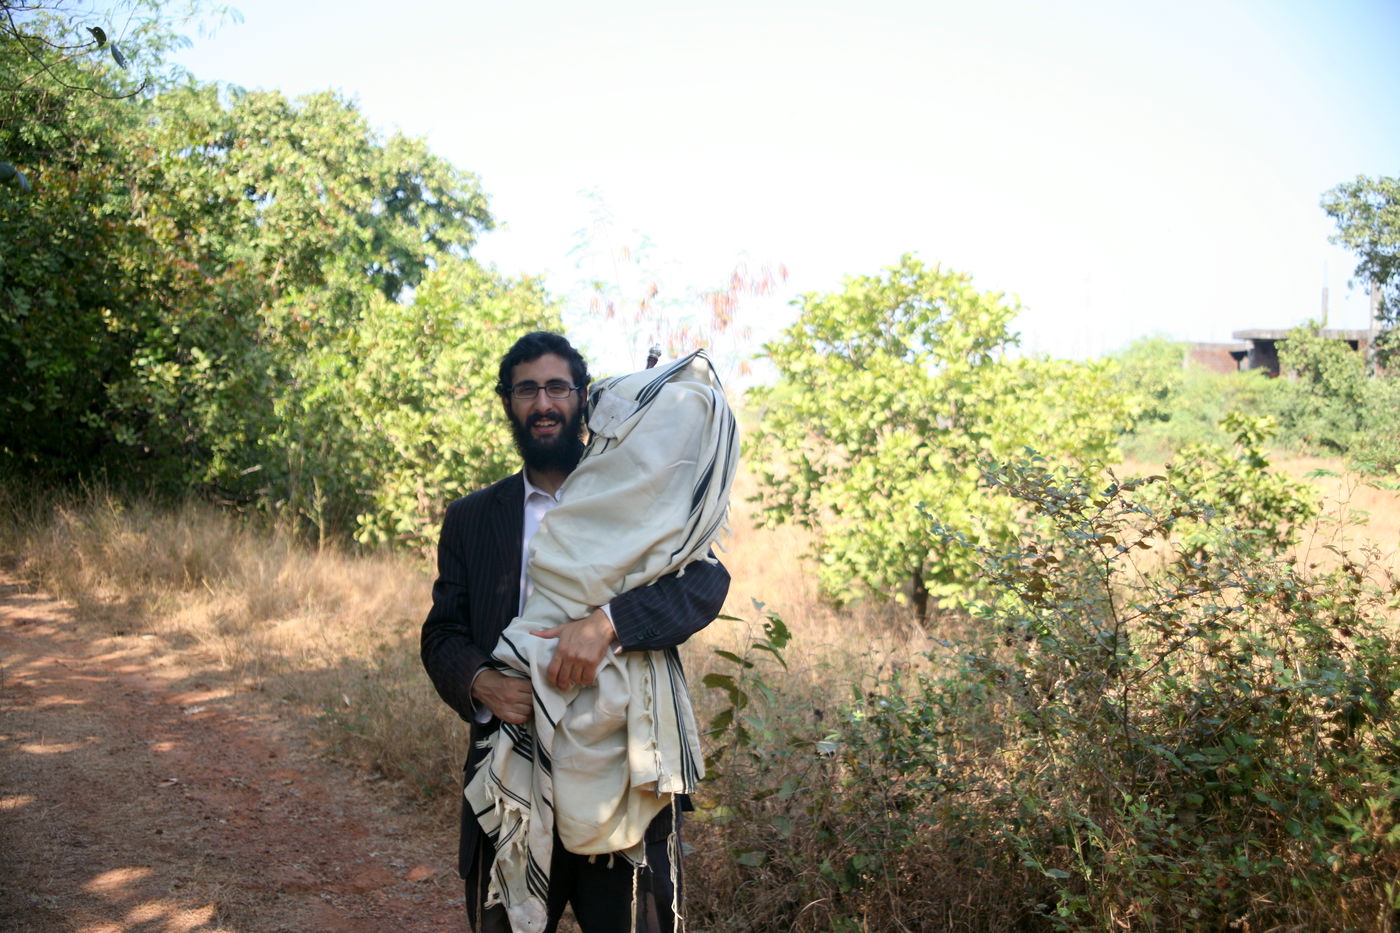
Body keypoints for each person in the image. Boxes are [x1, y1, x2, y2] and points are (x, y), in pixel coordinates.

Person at [421, 331, 729, 933]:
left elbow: (704, 585)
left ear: (583, 398)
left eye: (558, 387)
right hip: (511, 768)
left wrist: (608, 626)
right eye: (527, 389)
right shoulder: (472, 518)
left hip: (625, 768)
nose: (544, 403)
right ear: (508, 402)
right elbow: (443, 634)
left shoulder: (640, 491)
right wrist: (482, 683)